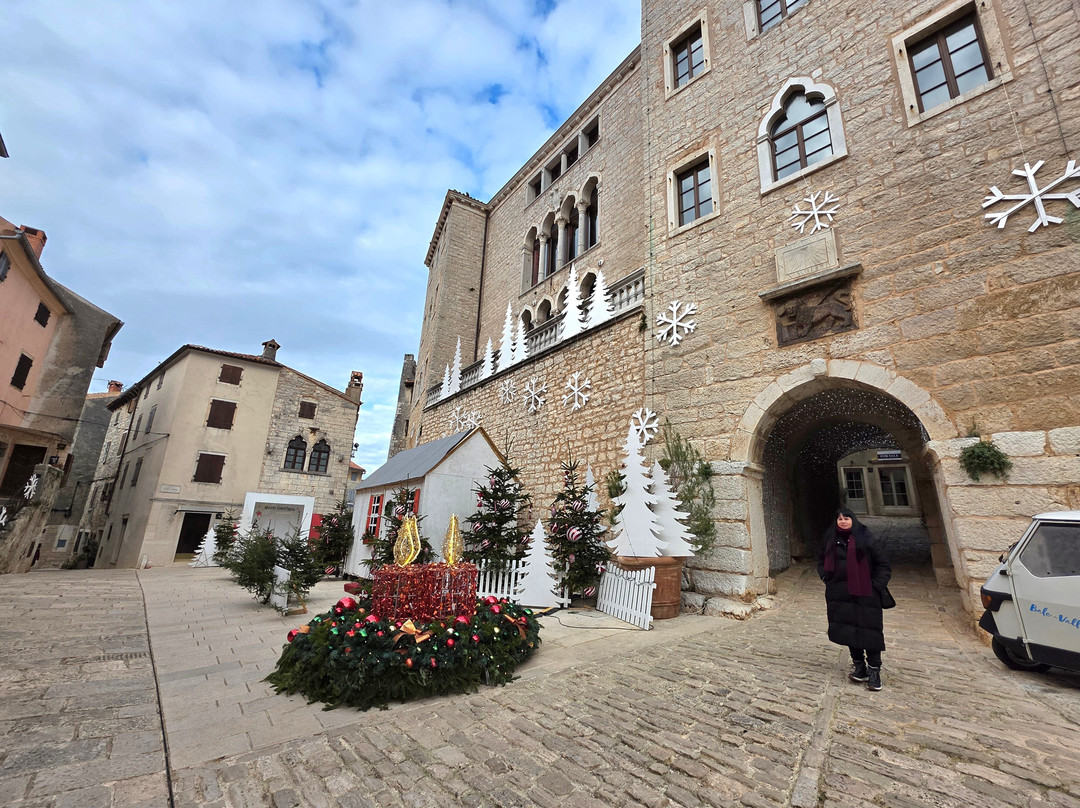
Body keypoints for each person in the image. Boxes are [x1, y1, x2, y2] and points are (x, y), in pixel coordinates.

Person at [817, 507, 892, 691]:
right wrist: (825, 577)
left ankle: (874, 671)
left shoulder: (865, 538)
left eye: (847, 518)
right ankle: (859, 666)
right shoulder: (830, 539)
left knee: (871, 632)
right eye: (840, 518)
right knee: (848, 630)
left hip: (865, 593)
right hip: (840, 594)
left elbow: (883, 564)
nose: (843, 521)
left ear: (853, 520)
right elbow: (820, 560)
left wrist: (875, 586)